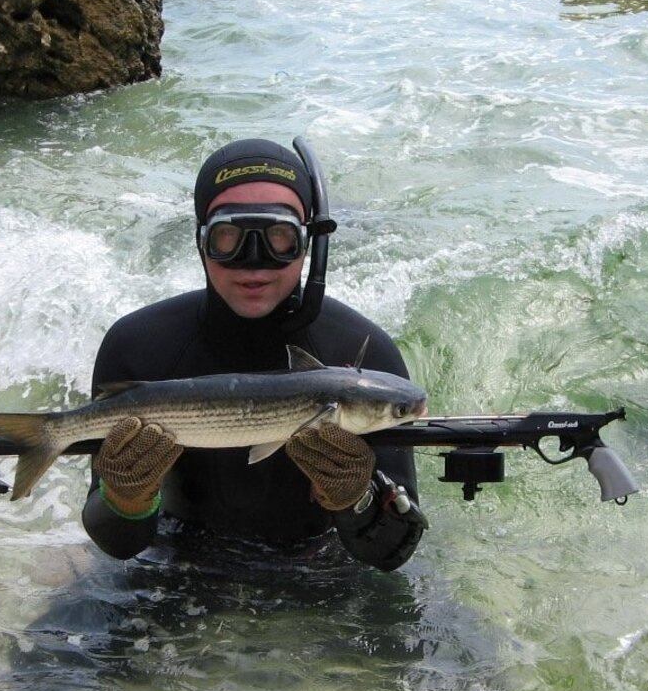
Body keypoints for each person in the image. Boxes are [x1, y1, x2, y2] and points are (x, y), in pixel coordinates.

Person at [81, 138, 428, 571]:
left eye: (280, 238)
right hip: (177, 563)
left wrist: (355, 496)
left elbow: (393, 552)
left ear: (309, 243)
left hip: (323, 568)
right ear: (201, 241)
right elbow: (117, 545)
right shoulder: (136, 345)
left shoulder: (368, 356)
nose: (254, 263)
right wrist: (126, 495)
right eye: (228, 238)